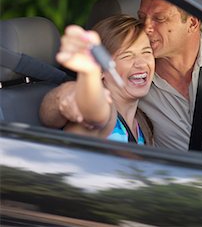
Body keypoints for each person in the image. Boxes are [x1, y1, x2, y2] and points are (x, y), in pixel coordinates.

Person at [40, 0, 202, 154]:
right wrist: (75, 88)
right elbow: (93, 113)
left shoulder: (142, 124)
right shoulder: (110, 108)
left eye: (159, 19)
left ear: (193, 23)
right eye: (142, 18)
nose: (147, 28)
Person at [49, 14, 155, 145]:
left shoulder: (142, 122)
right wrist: (89, 73)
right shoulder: (107, 118)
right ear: (101, 69)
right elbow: (95, 115)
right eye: (126, 56)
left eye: (147, 52)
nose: (141, 63)